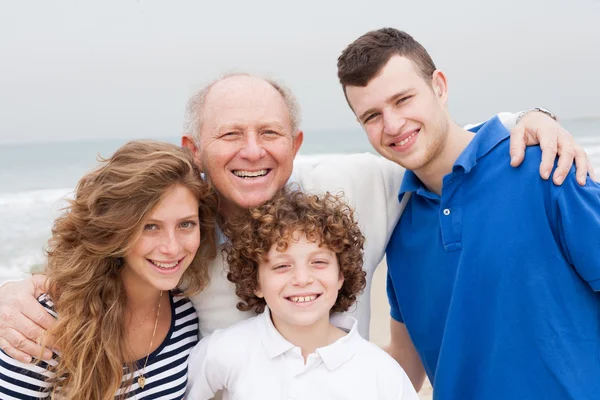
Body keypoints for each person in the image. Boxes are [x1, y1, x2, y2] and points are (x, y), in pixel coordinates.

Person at [0, 74, 594, 365]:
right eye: (229, 135)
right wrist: (14, 289)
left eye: (270, 133)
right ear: (193, 148)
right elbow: (95, 262)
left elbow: (441, 154)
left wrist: (526, 117)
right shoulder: (176, 236)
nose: (252, 151)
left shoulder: (357, 185)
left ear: (297, 141)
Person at [337, 27, 600, 399]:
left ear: (439, 87)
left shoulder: (543, 166)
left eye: (403, 100)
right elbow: (404, 364)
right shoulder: (399, 225)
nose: (392, 125)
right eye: (372, 116)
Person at [0, 141, 217, 399]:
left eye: (186, 224)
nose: (171, 247)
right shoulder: (42, 323)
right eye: (150, 226)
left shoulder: (187, 314)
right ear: (115, 229)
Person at [186, 189, 420, 400]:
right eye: (281, 266)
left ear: (341, 275)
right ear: (256, 281)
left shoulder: (380, 371)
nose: (302, 279)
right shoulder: (224, 350)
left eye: (318, 262)